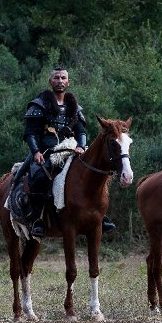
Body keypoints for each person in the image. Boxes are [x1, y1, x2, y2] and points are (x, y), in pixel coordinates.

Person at [22, 67, 116, 237]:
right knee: (40, 177)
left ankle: (99, 215)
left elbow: (81, 131)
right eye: (56, 78)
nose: (60, 81)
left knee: (95, 174)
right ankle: (39, 219)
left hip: (72, 148)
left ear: (68, 82)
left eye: (63, 78)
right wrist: (36, 151)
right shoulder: (39, 104)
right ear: (50, 82)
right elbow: (30, 133)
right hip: (47, 150)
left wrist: (81, 145)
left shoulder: (74, 107)